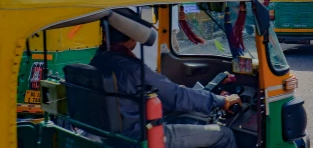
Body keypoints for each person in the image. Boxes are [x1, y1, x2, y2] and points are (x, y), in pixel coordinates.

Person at [89, 14, 236, 147]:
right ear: (131, 39)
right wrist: (222, 101)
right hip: (140, 136)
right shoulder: (132, 69)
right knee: (224, 134)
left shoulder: (97, 60)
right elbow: (177, 96)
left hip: (113, 134)